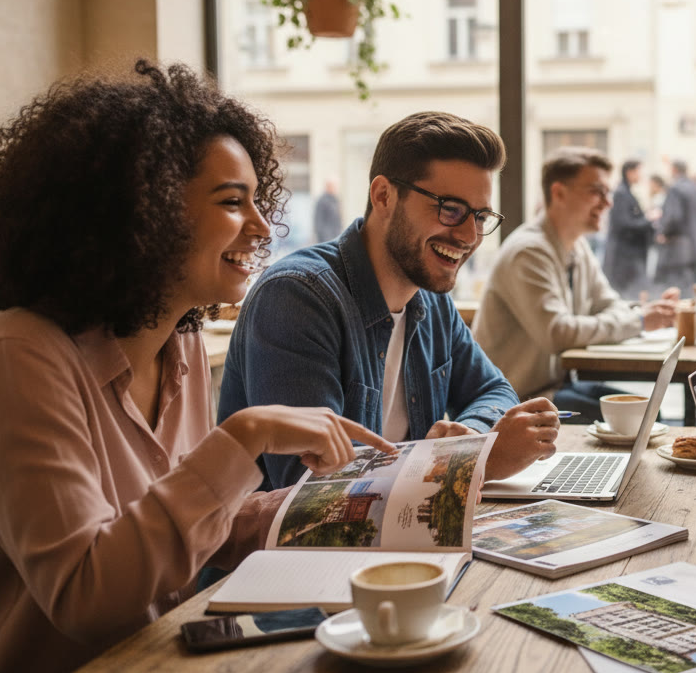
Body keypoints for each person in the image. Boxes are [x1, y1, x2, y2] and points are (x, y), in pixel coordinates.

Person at [0, 61, 394, 673]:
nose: (260, 226)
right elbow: (86, 597)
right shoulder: (20, 352)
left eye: (258, 201)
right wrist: (242, 438)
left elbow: (200, 531)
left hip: (167, 660)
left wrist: (370, 507)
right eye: (232, 202)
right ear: (141, 209)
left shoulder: (181, 344)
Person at [219, 111, 557, 490]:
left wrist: (470, 435)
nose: (469, 235)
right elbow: (309, 489)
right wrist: (473, 461)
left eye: (480, 216)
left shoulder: (429, 297)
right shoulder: (298, 297)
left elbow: (493, 391)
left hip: (398, 540)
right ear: (383, 196)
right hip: (299, 549)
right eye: (451, 209)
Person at [473, 147, 678, 421]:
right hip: (516, 401)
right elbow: (559, 333)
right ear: (558, 193)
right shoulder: (528, 252)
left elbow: (608, 303)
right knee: (643, 418)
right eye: (597, 191)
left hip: (554, 387)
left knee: (650, 411)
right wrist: (638, 321)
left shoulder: (576, 246)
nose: (608, 203)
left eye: (608, 192)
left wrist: (636, 316)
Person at [601, 158, 654, 299]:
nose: (641, 176)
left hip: (630, 255)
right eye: (639, 172)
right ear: (630, 172)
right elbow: (624, 223)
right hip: (624, 257)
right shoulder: (621, 194)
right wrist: (648, 220)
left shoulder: (627, 193)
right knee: (624, 296)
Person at [655, 158, 696, 290]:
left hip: (678, 249)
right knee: (692, 291)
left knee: (676, 292)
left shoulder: (675, 189)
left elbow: (673, 217)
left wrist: (663, 232)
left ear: (674, 170)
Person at [314, 176, 343, 243]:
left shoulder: (335, 200)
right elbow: (318, 221)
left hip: (336, 236)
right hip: (326, 238)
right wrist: (323, 238)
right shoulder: (322, 201)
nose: (335, 188)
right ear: (328, 186)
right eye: (333, 186)